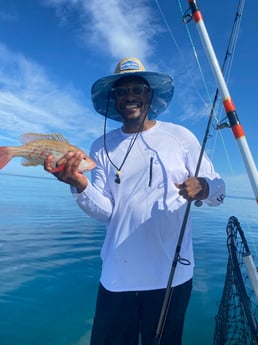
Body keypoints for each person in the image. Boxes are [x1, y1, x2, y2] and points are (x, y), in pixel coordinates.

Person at [44, 57, 225, 345]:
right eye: (122, 91)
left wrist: (204, 187)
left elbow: (219, 190)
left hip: (172, 278)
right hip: (117, 276)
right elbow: (106, 211)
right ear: (113, 99)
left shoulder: (181, 137)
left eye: (137, 89)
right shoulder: (100, 146)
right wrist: (79, 185)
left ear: (149, 95)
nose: (130, 96)